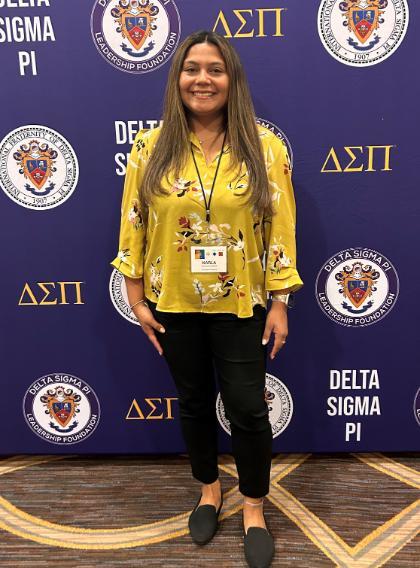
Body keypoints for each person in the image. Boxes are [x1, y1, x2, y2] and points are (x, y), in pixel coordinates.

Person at [111, 29, 303, 568]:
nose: (203, 78)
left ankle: (253, 506)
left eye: (215, 69)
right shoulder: (151, 147)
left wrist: (282, 301)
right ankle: (208, 490)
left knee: (246, 408)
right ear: (178, 80)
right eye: (191, 68)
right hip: (172, 300)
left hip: (241, 302)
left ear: (231, 79)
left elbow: (280, 228)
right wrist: (134, 295)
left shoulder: (265, 147)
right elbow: (135, 221)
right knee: (193, 402)